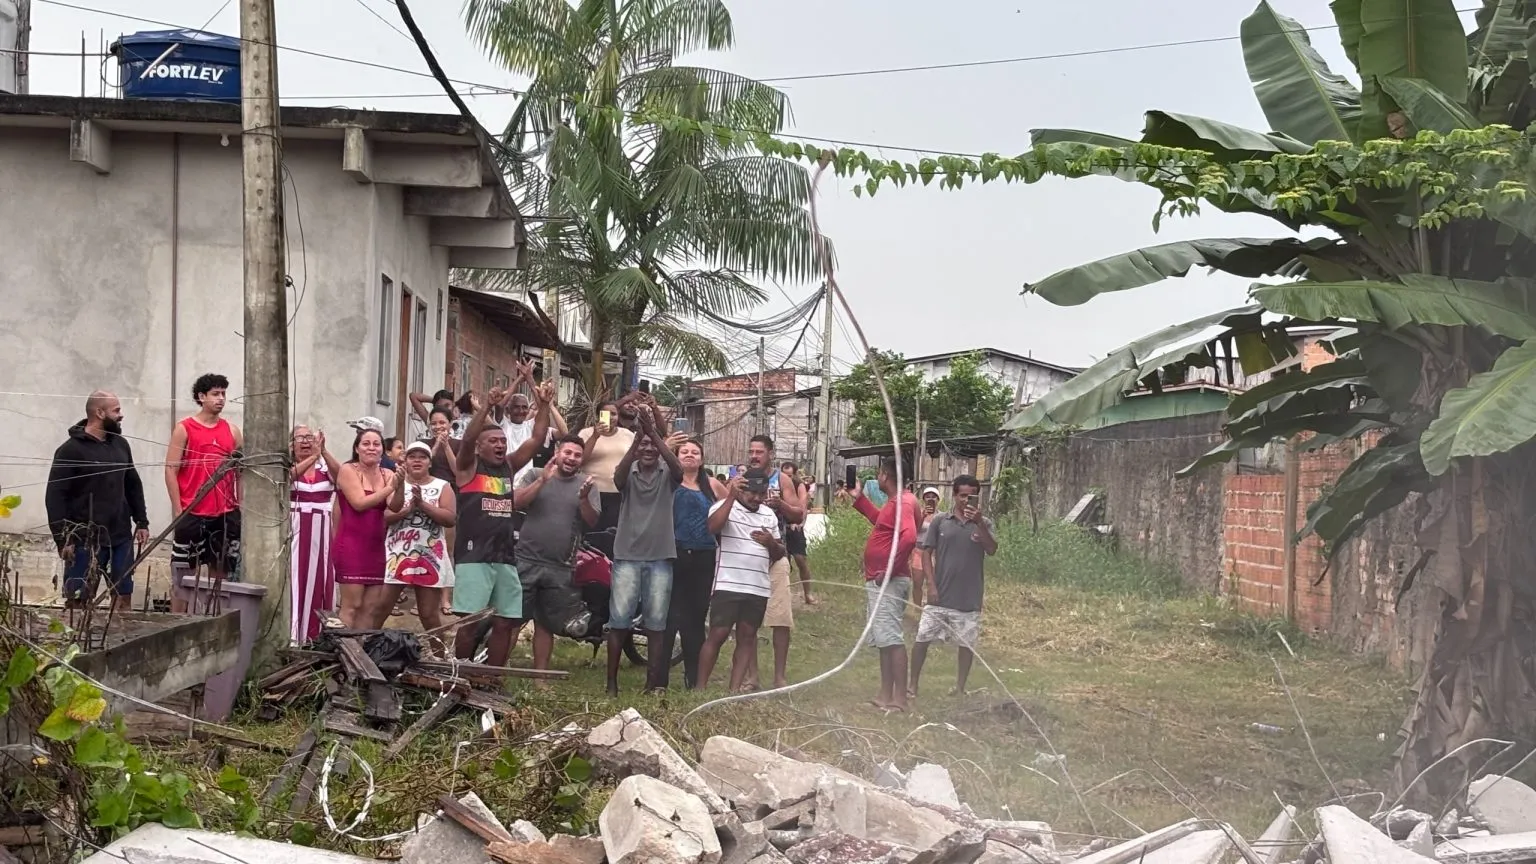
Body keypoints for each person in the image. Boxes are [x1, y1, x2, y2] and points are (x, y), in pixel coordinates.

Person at [451, 382, 554, 666]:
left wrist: (543, 404)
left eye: (502, 441)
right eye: (493, 441)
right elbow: (468, 439)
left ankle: (492, 679)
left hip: (505, 556)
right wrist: (484, 407)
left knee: (505, 622)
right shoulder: (467, 467)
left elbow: (536, 437)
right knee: (471, 622)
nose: (499, 444)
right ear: (480, 447)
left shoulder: (508, 467)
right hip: (474, 557)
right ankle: (460, 674)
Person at [46, 391, 149, 611]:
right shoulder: (70, 450)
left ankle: (121, 639)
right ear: (99, 412)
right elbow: (55, 497)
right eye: (117, 410)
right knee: (78, 602)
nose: (121, 415)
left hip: (120, 536)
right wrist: (62, 539)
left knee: (123, 597)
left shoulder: (120, 444)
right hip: (84, 539)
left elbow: (132, 483)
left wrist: (141, 521)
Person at [608, 409, 685, 695]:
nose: (649, 450)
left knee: (656, 625)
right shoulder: (628, 472)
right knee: (618, 622)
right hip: (626, 556)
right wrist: (638, 438)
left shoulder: (669, 475)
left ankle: (652, 683)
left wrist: (653, 433)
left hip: (661, 558)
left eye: (654, 446)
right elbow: (616, 477)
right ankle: (611, 684)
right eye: (644, 446)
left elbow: (678, 468)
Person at [511, 435, 600, 676]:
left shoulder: (587, 484)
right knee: (512, 621)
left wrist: (583, 498)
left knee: (545, 624)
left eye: (577, 455)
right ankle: (497, 674)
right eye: (567, 453)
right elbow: (516, 502)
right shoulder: (536, 474)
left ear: (582, 460)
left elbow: (591, 521)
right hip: (526, 560)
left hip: (561, 566)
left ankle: (540, 677)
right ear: (557, 452)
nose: (571, 458)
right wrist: (542, 481)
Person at [696, 469, 784, 692]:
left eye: (761, 494)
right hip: (728, 583)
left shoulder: (769, 515)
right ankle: (700, 687)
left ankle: (733, 691)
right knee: (718, 633)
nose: (756, 498)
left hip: (758, 587)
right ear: (741, 489)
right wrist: (731, 497)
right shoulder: (723, 506)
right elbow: (712, 528)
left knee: (747, 636)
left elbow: (780, 553)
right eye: (751, 493)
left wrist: (770, 543)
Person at [910, 475, 997, 698]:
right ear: (954, 495)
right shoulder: (941, 521)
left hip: (969, 597)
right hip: (940, 594)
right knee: (922, 638)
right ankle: (912, 685)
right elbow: (927, 553)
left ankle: (959, 687)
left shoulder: (984, 523)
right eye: (962, 496)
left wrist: (978, 523)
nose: (966, 500)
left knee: (966, 644)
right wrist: (931, 585)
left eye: (972, 496)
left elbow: (992, 549)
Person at [166, 373, 242, 613]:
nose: (221, 399)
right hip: (193, 510)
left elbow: (241, 471)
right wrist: (179, 509)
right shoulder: (185, 428)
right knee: (183, 575)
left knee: (221, 573)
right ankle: (175, 625)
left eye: (223, 394)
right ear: (202, 397)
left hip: (225, 512)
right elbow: (170, 469)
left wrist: (239, 504)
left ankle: (216, 624)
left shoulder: (232, 431)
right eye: (215, 394)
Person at [853, 458, 920, 712]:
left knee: (891, 638)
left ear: (885, 475)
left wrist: (888, 569)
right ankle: (885, 694)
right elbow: (881, 523)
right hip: (881, 579)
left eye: (879, 473)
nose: (878, 477)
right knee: (883, 638)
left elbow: (910, 537)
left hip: (889, 580)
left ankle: (899, 699)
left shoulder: (903, 501)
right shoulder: (896, 503)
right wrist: (859, 499)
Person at [662, 438, 727, 690]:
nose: (690, 455)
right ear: (676, 457)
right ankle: (660, 680)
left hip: (704, 556)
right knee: (669, 618)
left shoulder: (711, 485)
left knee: (696, 619)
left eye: (695, 452)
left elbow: (731, 507)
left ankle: (693, 678)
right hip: (673, 553)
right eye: (684, 452)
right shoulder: (668, 482)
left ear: (702, 458)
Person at [747, 435, 805, 690]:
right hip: (748, 556)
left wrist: (779, 502)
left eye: (759, 451)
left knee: (780, 618)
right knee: (747, 620)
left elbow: (798, 513)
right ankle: (752, 677)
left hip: (777, 554)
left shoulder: (781, 480)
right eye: (751, 451)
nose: (754, 456)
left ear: (770, 454)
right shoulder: (744, 476)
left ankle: (779, 676)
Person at [383, 441, 456, 634]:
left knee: (428, 614)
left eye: (422, 457)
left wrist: (423, 505)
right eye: (412, 456)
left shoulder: (442, 486)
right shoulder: (395, 483)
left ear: (429, 462)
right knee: (381, 608)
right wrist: (408, 508)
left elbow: (450, 518)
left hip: (429, 557)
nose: (417, 460)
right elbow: (386, 516)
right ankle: (365, 653)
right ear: (405, 461)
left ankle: (441, 658)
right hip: (396, 555)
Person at [333, 428, 398, 628]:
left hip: (377, 546)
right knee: (352, 605)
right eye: (366, 443)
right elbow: (359, 503)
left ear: (382, 450)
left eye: (376, 444)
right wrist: (391, 487)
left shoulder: (388, 473)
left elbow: (395, 506)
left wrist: (400, 485)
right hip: (351, 545)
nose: (371, 448)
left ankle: (360, 655)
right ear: (357, 448)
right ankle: (343, 654)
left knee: (370, 608)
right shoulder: (348, 470)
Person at [289, 425, 339, 643]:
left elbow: (342, 479)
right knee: (294, 579)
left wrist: (324, 453)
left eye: (310, 437)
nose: (305, 441)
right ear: (291, 444)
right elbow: (287, 478)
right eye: (300, 437)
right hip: (295, 529)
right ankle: (293, 634)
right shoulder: (288, 464)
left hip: (322, 532)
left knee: (322, 580)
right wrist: (312, 458)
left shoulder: (324, 465)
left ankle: (316, 635)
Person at [577, 398, 636, 559]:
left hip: (618, 494)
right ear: (598, 416)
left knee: (612, 537)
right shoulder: (586, 433)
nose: (611, 418)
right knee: (590, 536)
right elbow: (580, 460)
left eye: (614, 414)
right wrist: (595, 436)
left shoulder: (628, 435)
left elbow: (633, 460)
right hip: (591, 494)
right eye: (606, 414)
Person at [779, 462, 817, 606]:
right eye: (785, 474)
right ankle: (783, 595)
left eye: (790, 475)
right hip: (781, 526)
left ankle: (808, 593)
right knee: (783, 563)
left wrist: (799, 523)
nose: (787, 477)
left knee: (801, 560)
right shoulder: (778, 484)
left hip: (795, 527)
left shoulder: (799, 486)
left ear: (795, 474)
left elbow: (803, 507)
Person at [911, 486, 942, 606]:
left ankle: (930, 607)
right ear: (923, 499)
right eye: (928, 497)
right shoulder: (919, 514)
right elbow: (914, 531)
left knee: (932, 582)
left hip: (934, 553)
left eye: (933, 497)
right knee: (917, 583)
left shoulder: (942, 516)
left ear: (938, 499)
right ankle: (917, 607)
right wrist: (922, 517)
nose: (931, 499)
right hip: (919, 551)